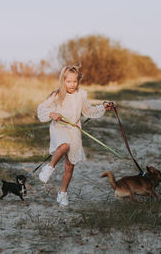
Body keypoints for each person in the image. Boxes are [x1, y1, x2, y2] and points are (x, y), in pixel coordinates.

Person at [37, 65, 113, 207]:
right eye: (69, 81)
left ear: (78, 81)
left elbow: (88, 110)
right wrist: (51, 114)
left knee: (70, 166)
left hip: (74, 130)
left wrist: (103, 106)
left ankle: (63, 193)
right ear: (63, 81)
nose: (72, 85)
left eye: (75, 81)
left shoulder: (81, 95)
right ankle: (49, 167)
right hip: (59, 128)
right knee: (64, 145)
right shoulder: (57, 95)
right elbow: (41, 109)